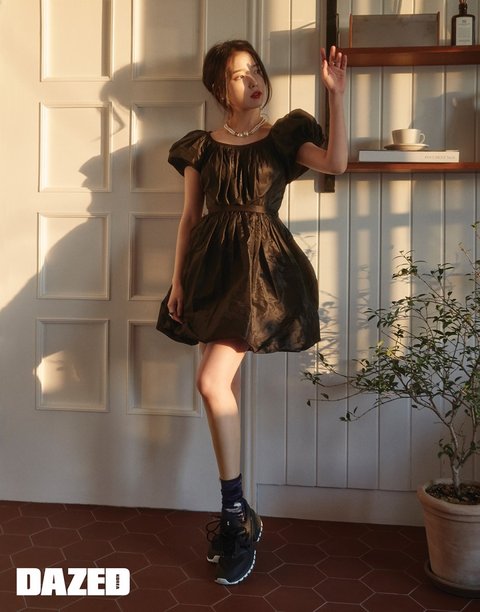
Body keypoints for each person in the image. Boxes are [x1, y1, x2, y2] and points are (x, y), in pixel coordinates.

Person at [157, 39, 347, 585]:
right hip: (211, 273)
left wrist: (337, 96)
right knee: (223, 391)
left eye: (256, 70)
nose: (254, 81)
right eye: (240, 75)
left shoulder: (283, 135)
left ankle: (234, 517)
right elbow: (190, 219)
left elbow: (336, 162)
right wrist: (177, 281)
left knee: (210, 382)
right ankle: (240, 514)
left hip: (260, 274)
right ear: (221, 88)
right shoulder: (200, 147)